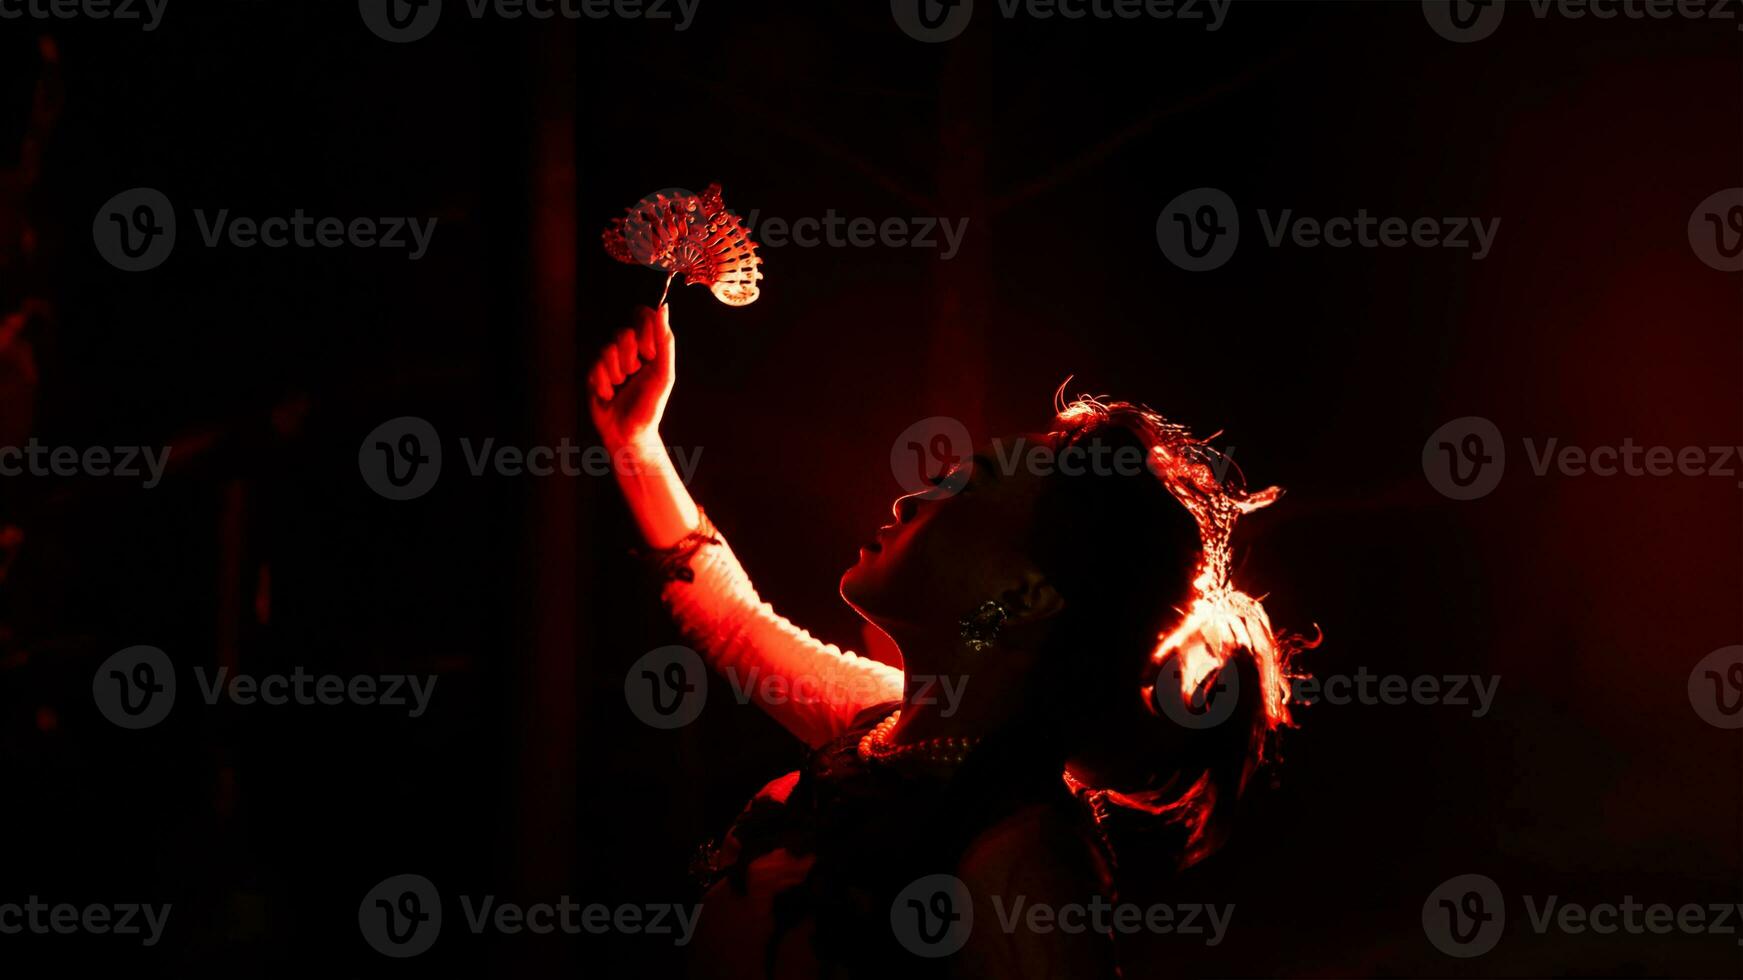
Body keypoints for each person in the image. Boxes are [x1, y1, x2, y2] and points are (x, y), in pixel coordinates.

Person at [587, 305, 1309, 979]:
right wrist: (635, 442)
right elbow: (733, 626)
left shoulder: (1022, 856)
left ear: (1023, 598)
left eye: (959, 488)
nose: (908, 498)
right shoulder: (883, 726)